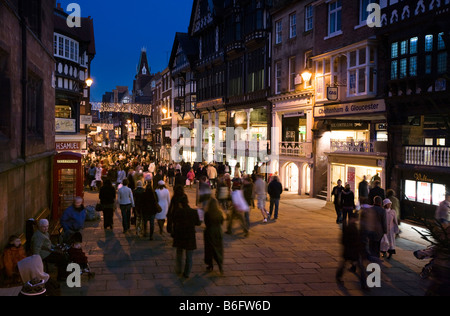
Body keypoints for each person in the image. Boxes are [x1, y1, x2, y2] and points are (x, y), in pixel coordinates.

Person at [171, 194, 201, 278]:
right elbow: (198, 223)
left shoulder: (178, 212)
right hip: (190, 236)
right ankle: (186, 273)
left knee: (179, 254)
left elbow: (174, 222)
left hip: (180, 235)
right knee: (189, 256)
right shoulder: (193, 212)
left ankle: (179, 269)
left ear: (180, 203)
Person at [335, 213, 367, 289]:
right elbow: (357, 240)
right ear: (354, 219)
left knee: (344, 264)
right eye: (356, 219)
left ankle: (338, 276)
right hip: (354, 251)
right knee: (361, 267)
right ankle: (364, 284)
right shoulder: (354, 228)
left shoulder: (346, 227)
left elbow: (342, 240)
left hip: (347, 251)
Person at [360, 196, 387, 261]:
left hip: (370, 230)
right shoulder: (383, 211)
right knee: (377, 245)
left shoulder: (370, 209)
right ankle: (376, 257)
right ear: (380, 202)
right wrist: (385, 231)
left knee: (371, 244)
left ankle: (371, 257)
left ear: (374, 201)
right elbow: (384, 222)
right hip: (379, 231)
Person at [203, 198, 224, 274]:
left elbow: (206, 223)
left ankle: (210, 264)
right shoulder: (220, 213)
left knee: (209, 249)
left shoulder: (207, 213)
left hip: (209, 232)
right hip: (218, 232)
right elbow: (221, 222)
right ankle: (220, 265)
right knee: (218, 248)